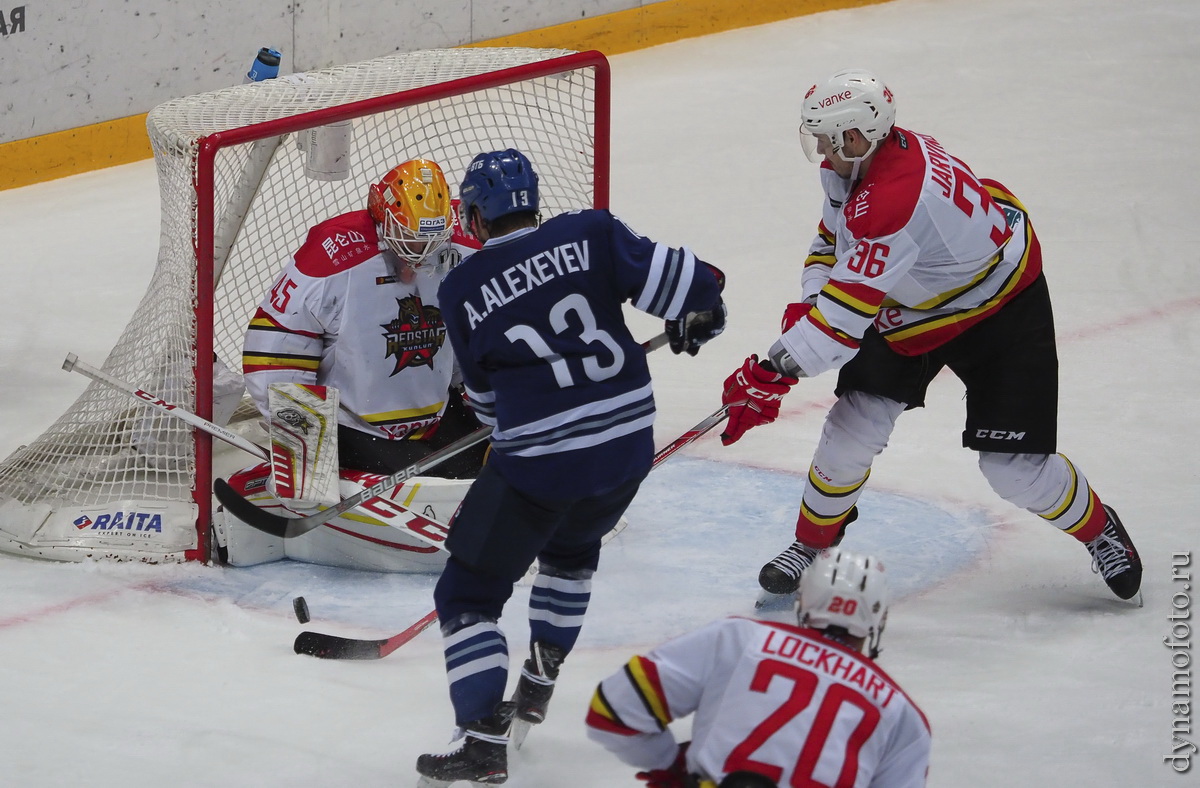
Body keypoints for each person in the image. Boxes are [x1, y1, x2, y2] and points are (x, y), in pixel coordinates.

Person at [718, 69, 1142, 602]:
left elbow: (841, 326)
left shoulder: (893, 201)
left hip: (1000, 305)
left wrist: (774, 370)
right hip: (916, 299)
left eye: (827, 138)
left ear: (856, 135)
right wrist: (806, 315)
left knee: (1014, 470)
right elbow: (831, 241)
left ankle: (1101, 530)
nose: (821, 153)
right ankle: (811, 543)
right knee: (851, 427)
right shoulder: (865, 161)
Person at [414, 148, 727, 785]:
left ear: (475, 215)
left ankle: (479, 740)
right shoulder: (591, 232)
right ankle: (538, 678)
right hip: (627, 447)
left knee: (467, 593)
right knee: (571, 552)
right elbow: (699, 284)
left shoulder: (460, 288)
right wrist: (701, 317)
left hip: (541, 463)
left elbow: (486, 406)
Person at [215, 158, 487, 572]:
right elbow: (272, 350)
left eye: (430, 245)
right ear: (381, 214)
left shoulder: (463, 246)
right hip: (355, 429)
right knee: (438, 489)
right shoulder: (334, 256)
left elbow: (486, 326)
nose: (420, 258)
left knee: (498, 462)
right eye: (409, 241)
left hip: (435, 417)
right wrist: (305, 449)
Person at [586, 549, 931, 787]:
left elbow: (612, 713)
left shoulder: (739, 639)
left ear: (803, 601)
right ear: (877, 618)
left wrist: (671, 766)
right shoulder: (902, 715)